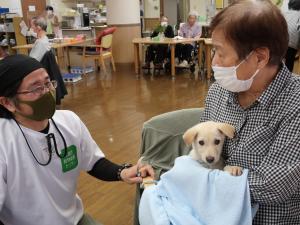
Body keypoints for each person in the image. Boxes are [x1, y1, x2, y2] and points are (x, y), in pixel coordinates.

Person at [0, 55, 154, 225]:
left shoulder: (68, 121)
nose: (46, 92)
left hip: (74, 219)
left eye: (48, 83)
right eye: (36, 88)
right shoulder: (4, 141)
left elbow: (93, 162)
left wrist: (123, 172)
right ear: (8, 103)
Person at [202, 0, 300, 224]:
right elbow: (202, 150)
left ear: (259, 58)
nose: (214, 61)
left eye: (220, 53)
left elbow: (274, 185)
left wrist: (204, 181)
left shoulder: (295, 103)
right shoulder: (218, 93)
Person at [283, 0, 300, 72]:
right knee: (289, 61)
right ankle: (287, 76)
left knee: (279, 59)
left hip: (280, 40)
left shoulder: (284, 13)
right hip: (292, 44)